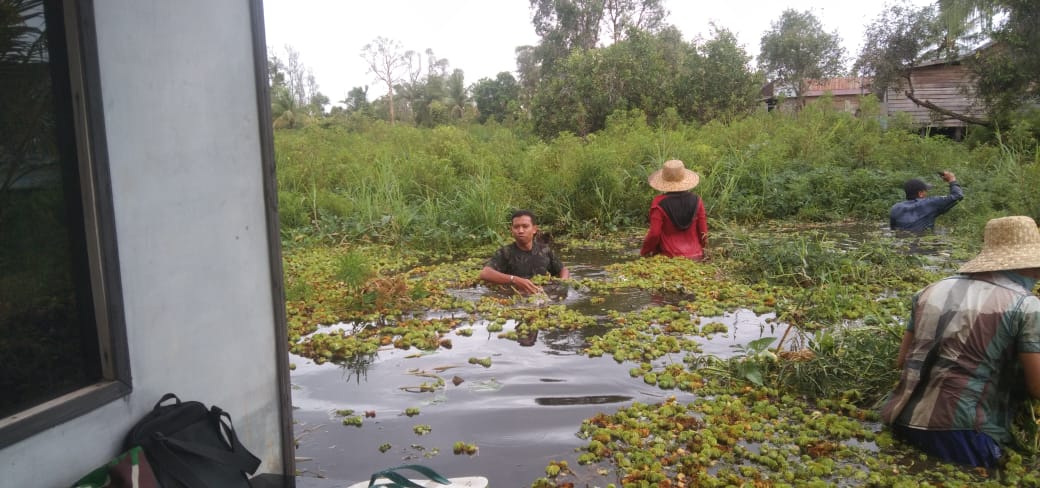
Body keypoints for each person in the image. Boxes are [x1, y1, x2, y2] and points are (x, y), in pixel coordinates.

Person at [880, 215, 1040, 468]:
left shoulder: (928, 291)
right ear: (1027, 264)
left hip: (900, 420)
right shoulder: (1026, 306)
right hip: (964, 435)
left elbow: (902, 361)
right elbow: (1037, 387)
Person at [479, 210, 569, 294]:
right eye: (516, 227)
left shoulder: (545, 250)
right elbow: (485, 273)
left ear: (534, 229)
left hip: (543, 295)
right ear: (511, 230)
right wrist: (514, 279)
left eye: (525, 226)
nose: (520, 231)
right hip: (516, 298)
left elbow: (562, 269)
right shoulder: (505, 253)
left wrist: (563, 283)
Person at [640, 159, 708, 260]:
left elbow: (654, 234)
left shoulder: (658, 203)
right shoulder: (697, 200)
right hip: (696, 255)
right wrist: (704, 252)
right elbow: (703, 233)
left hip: (669, 256)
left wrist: (644, 252)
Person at [889, 171, 964, 232]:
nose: (927, 193)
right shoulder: (930, 203)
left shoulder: (895, 207)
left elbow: (893, 230)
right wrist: (952, 180)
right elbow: (958, 195)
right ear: (920, 193)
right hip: (922, 246)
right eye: (925, 191)